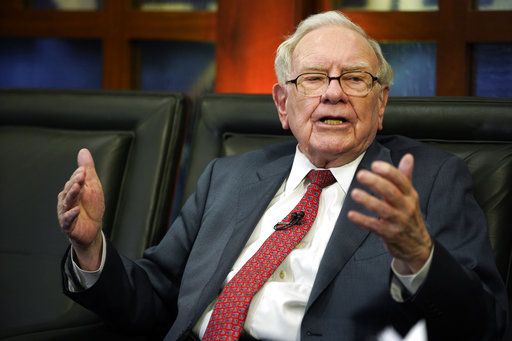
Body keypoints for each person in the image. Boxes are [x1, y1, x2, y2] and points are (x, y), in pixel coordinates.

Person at [57, 10, 509, 341]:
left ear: (382, 102)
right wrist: (89, 246)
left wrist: (419, 257)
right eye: (313, 78)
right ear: (281, 104)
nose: (333, 93)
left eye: (354, 78)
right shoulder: (229, 175)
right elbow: (152, 299)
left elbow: (486, 326)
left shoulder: (431, 180)